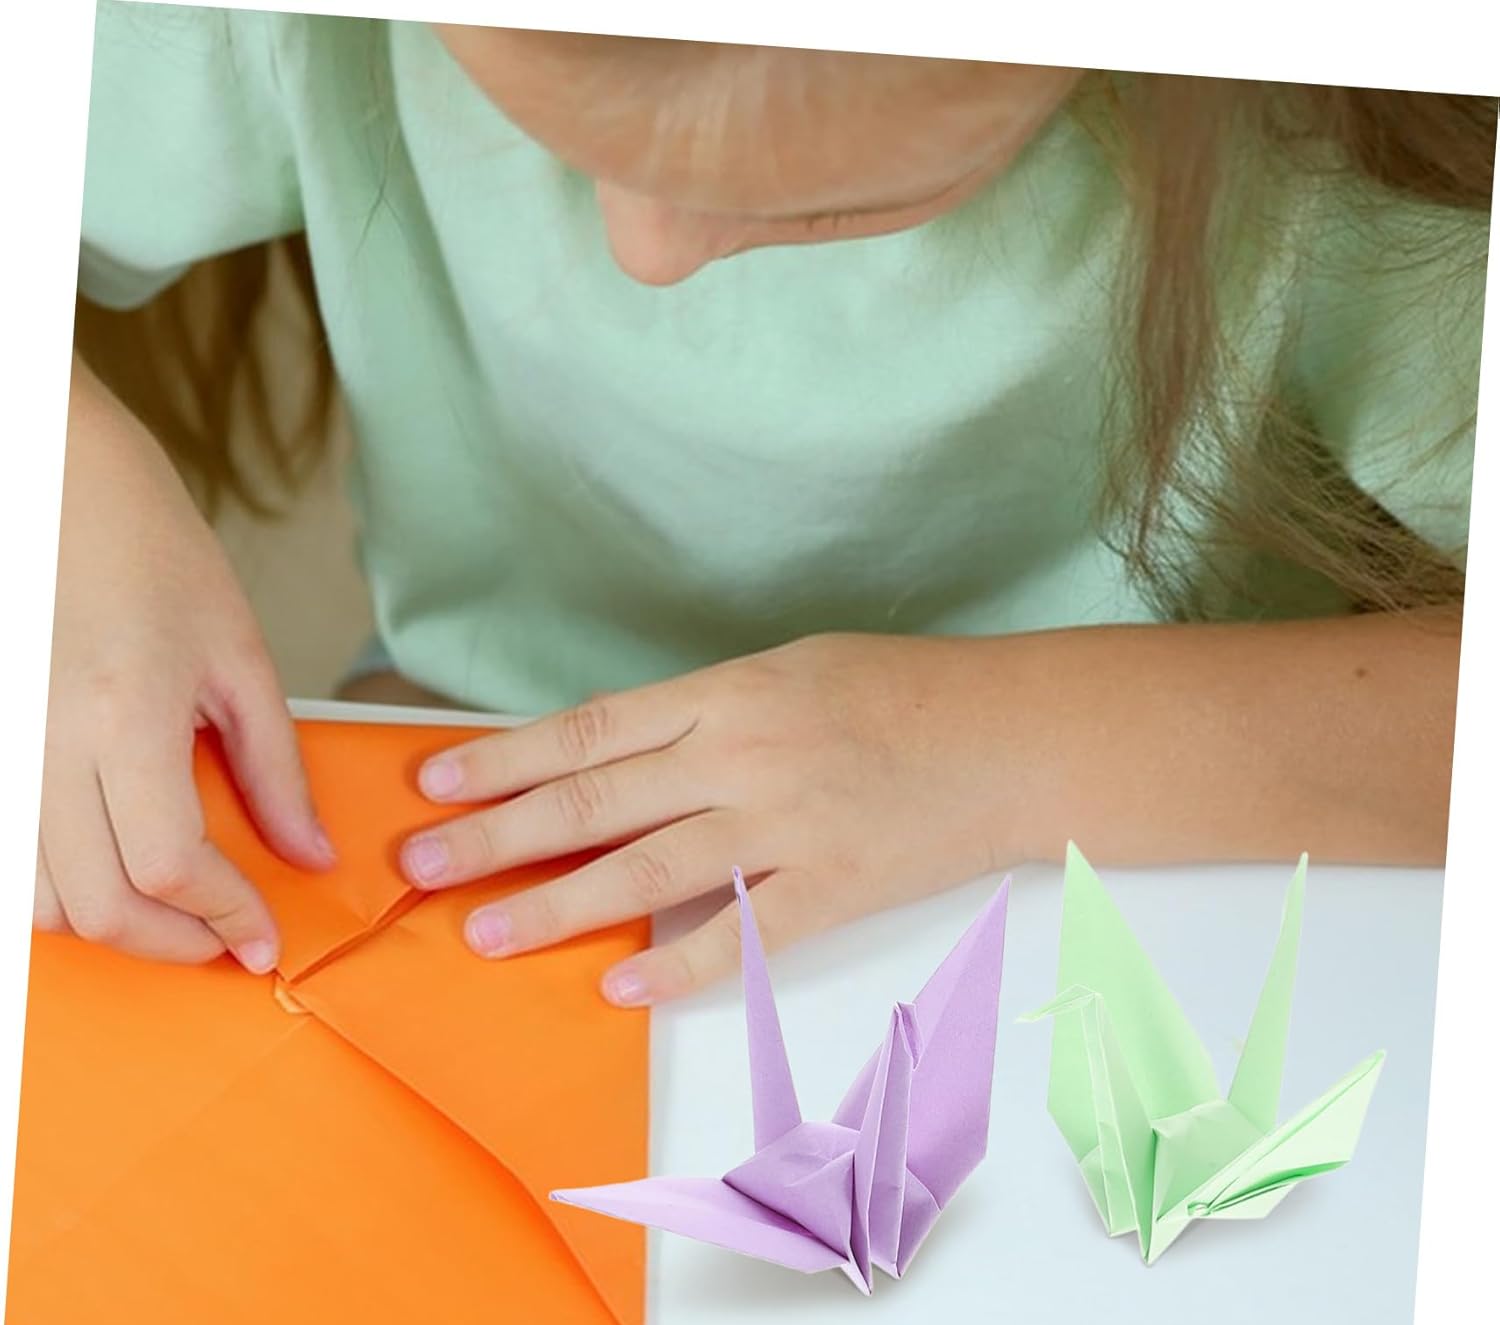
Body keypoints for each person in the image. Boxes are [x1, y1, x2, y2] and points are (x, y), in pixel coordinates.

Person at [42, 6, 1490, 1006]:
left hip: (1153, 845)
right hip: (477, 732)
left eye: (821, 206)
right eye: (550, 131)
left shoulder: (1359, 142)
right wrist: (66, 472)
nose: (647, 254)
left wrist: (988, 749)